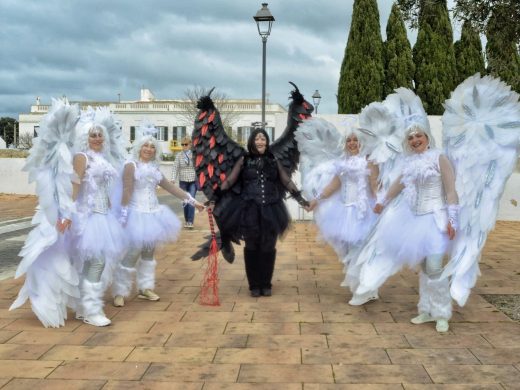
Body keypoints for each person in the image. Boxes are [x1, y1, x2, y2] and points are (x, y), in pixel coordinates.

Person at [352, 117, 459, 332]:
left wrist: (453, 218)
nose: (414, 140)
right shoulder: (409, 163)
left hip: (437, 219)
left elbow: (450, 190)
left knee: (435, 267)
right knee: (424, 268)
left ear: (427, 137)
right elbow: (397, 186)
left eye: (418, 135)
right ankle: (426, 310)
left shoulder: (440, 158)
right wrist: (381, 202)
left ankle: (442, 313)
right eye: (410, 137)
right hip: (415, 220)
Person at [112, 125, 204, 307]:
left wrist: (194, 202)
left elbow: (172, 188)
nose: (148, 149)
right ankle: (120, 290)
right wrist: (123, 216)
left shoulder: (155, 169)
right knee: (133, 252)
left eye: (152, 146)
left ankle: (145, 288)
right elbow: (127, 190)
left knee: (148, 252)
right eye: (145, 145)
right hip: (136, 214)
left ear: (156, 150)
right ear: (139, 147)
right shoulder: (131, 165)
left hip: (154, 214)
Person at [214, 128, 310, 297]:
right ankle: (254, 284)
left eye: (263, 139)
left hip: (272, 208)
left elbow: (286, 180)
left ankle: (266, 283)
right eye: (257, 138)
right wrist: (217, 196)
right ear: (252, 141)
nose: (260, 141)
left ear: (267, 142)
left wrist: (300, 198)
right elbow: (230, 180)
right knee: (252, 246)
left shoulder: (273, 159)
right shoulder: (244, 159)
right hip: (249, 209)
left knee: (268, 246)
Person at [306, 130, 380, 305]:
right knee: (347, 252)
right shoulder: (342, 163)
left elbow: (375, 184)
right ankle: (368, 288)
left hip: (363, 212)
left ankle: (362, 291)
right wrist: (316, 200)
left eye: (356, 140)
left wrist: (380, 203)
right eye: (349, 140)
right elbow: (334, 185)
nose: (352, 143)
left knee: (360, 251)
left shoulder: (369, 162)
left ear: (362, 143)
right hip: (344, 212)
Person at [69, 118, 127, 327]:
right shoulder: (81, 157)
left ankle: (83, 307)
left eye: (99, 134)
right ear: (85, 137)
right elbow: (75, 187)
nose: (97, 138)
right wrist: (68, 214)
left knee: (90, 262)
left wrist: (114, 211)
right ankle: (91, 310)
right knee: (97, 261)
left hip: (104, 215)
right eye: (92, 135)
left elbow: (105, 188)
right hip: (88, 215)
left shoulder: (102, 158)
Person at [172, 136, 198, 229]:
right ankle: (187, 220)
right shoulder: (179, 155)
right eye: (182, 144)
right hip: (182, 181)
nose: (184, 146)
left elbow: (198, 167)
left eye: (186, 144)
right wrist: (172, 179)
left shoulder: (194, 155)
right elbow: (175, 167)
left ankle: (190, 221)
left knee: (191, 200)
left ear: (190, 145)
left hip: (192, 181)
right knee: (185, 201)